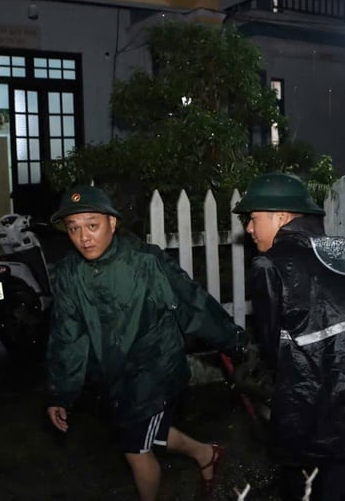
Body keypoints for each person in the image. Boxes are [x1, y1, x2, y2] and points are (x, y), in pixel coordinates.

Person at [44, 184, 244, 501]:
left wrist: (234, 341)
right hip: (117, 373)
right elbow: (68, 336)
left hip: (156, 368)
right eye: (74, 228)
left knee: (135, 447)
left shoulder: (145, 261)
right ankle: (207, 454)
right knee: (151, 433)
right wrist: (61, 393)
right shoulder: (70, 274)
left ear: (112, 223)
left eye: (92, 225)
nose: (84, 237)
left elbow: (192, 303)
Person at [232, 173, 345, 501]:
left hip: (332, 397)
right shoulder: (331, 252)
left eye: (253, 218)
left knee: (322, 485)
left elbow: (273, 344)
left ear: (280, 217)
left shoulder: (268, 265)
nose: (249, 229)